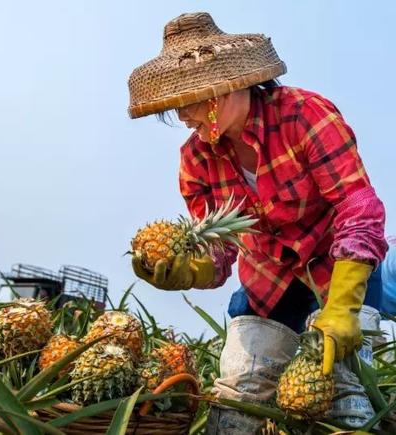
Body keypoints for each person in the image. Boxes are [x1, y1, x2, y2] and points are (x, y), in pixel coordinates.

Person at [127, 12, 387, 433]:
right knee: (236, 401)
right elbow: (220, 254)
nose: (182, 118)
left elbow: (359, 208)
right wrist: (185, 271)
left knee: (348, 400)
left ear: (219, 89)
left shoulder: (305, 115)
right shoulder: (195, 160)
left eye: (186, 103)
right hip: (267, 279)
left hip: (339, 270)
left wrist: (340, 308)